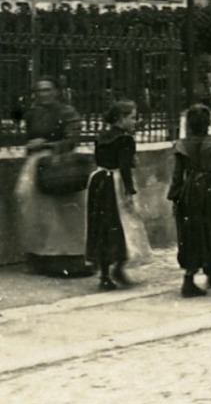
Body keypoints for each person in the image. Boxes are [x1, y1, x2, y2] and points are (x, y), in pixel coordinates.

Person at [14, 77, 91, 277]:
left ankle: (72, 259)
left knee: (65, 215)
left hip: (61, 166)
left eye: (47, 90)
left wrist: (46, 145)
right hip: (36, 165)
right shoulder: (33, 113)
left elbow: (73, 139)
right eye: (39, 91)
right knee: (36, 210)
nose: (43, 94)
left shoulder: (67, 112)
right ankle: (43, 257)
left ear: (56, 91)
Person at [85, 100, 152, 291]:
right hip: (115, 184)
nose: (135, 121)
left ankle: (105, 274)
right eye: (132, 117)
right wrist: (130, 191)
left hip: (99, 181)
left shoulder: (102, 136)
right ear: (121, 118)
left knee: (103, 227)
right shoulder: (125, 139)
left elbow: (99, 159)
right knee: (124, 225)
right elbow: (124, 167)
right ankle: (119, 267)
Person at [169, 103, 211, 298]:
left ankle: (189, 278)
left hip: (188, 191)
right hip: (209, 191)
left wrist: (174, 198)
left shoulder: (181, 145)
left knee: (191, 232)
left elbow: (176, 175)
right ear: (208, 123)